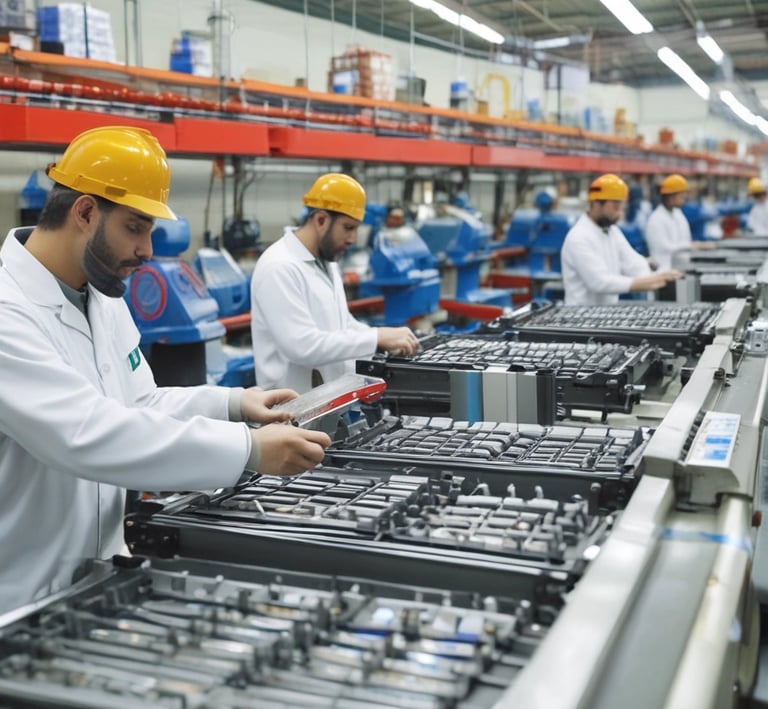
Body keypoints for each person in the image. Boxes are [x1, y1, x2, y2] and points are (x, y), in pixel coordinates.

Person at [0, 126, 331, 615]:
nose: (148, 250)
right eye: (136, 227)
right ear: (86, 212)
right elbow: (85, 432)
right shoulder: (9, 310)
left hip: (99, 578)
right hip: (21, 594)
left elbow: (139, 404)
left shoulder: (102, 297)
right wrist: (247, 449)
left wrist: (234, 404)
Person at [250, 173, 420, 393]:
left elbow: (342, 324)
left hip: (330, 403)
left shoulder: (326, 263)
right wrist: (376, 337)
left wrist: (385, 340)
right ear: (321, 220)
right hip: (291, 411)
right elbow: (302, 346)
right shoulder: (280, 266)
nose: (353, 239)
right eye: (348, 228)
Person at [561, 174, 682, 305]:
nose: (620, 213)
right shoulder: (579, 237)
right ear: (596, 203)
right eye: (615, 206)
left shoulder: (612, 232)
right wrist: (646, 282)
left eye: (622, 207)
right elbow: (599, 282)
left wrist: (662, 276)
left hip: (604, 314)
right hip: (579, 318)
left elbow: (633, 262)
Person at [645, 174, 712, 271]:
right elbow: (664, 248)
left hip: (682, 269)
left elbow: (685, 240)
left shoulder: (678, 214)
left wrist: (695, 245)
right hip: (663, 272)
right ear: (670, 197)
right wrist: (693, 246)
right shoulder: (656, 219)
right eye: (681, 196)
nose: (684, 199)